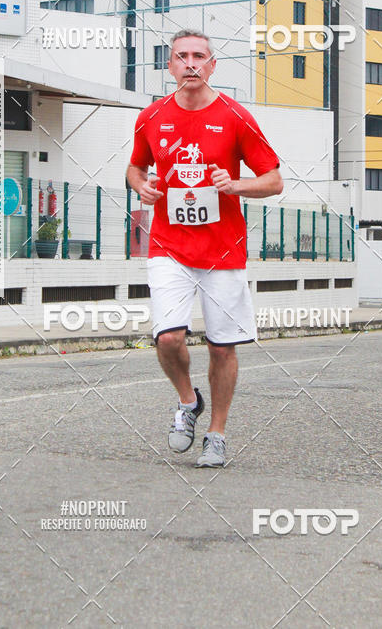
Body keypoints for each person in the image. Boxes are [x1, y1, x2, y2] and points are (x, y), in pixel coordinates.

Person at [126, 30, 283, 466]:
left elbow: (273, 179)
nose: (191, 63)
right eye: (182, 57)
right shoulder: (151, 117)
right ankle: (187, 400)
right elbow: (135, 167)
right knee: (169, 337)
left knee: (221, 347)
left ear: (212, 66)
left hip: (222, 250)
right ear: (170, 66)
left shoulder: (235, 116)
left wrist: (235, 184)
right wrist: (142, 186)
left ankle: (216, 432)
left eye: (200, 56)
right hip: (168, 246)